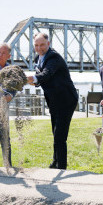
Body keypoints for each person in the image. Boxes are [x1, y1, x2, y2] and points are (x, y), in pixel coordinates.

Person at [27, 33, 78, 170]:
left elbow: (46, 74)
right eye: (36, 45)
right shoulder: (38, 58)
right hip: (54, 100)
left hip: (66, 100)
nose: (39, 48)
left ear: (48, 44)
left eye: (42, 44)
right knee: (55, 133)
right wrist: (33, 82)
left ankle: (61, 166)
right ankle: (55, 162)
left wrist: (29, 78)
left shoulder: (54, 57)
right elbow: (43, 80)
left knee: (60, 136)